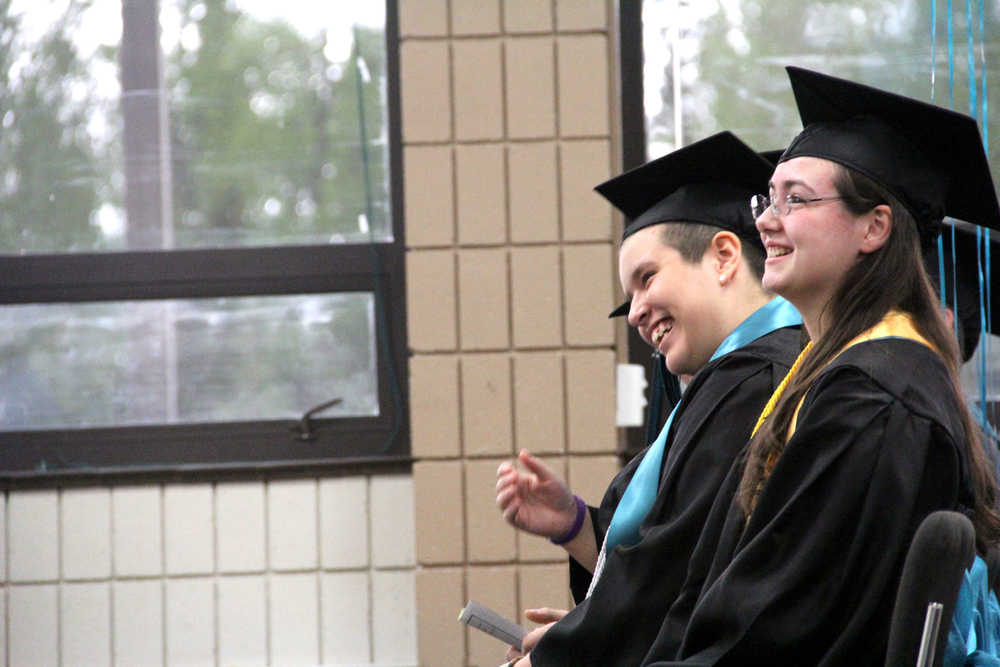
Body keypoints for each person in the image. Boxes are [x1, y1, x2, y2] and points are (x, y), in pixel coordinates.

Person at [642, 66, 1000, 666]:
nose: (766, 219)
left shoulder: (873, 400)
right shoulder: (834, 375)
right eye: (769, 197)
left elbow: (776, 627)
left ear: (874, 226)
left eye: (796, 199)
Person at [494, 131, 803, 667]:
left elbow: (676, 575)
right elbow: (679, 554)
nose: (635, 312)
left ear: (725, 257)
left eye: (647, 278)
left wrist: (569, 651)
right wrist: (572, 524)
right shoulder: (743, 377)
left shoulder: (758, 382)